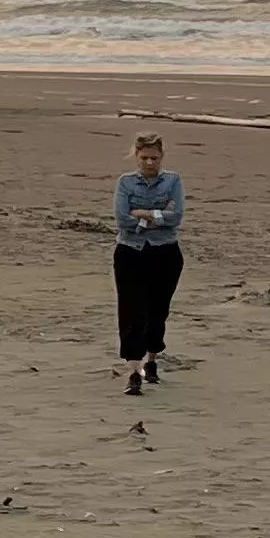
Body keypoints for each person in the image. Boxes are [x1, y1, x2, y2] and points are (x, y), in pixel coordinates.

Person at [113, 135, 184, 395]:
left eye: (154, 158)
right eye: (144, 158)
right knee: (131, 310)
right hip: (130, 252)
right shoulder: (126, 182)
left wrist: (142, 214)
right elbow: (122, 218)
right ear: (137, 156)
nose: (149, 162)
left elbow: (175, 217)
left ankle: (152, 358)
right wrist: (156, 216)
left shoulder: (173, 180)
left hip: (165, 252)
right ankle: (134, 370)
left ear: (161, 157)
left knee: (157, 310)